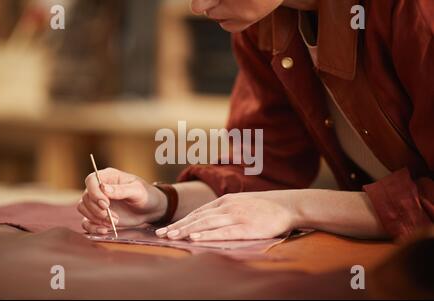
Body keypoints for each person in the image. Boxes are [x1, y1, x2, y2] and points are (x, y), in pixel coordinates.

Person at [77, 0, 433, 241]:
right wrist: (160, 202)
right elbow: (263, 167)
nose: (198, 6)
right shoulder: (265, 22)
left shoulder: (416, 12)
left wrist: (294, 207)